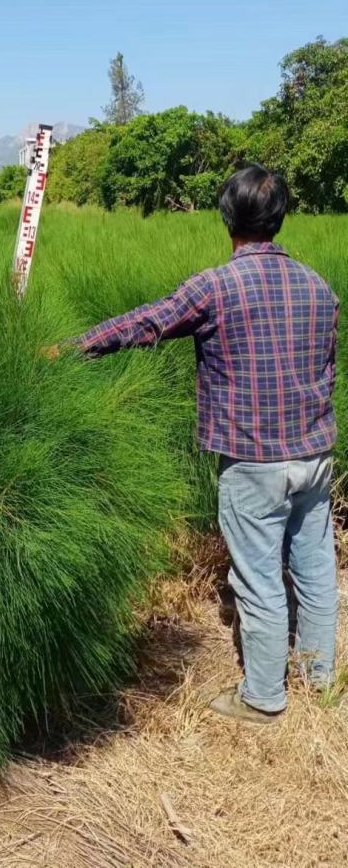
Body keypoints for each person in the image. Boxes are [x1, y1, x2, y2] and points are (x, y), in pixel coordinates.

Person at [49, 164, 340, 724]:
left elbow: (145, 323)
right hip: (315, 455)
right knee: (315, 569)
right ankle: (320, 680)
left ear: (227, 217)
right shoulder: (318, 286)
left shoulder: (215, 286)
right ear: (280, 219)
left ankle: (262, 697)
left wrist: (68, 348)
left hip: (254, 461)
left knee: (258, 581)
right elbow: (326, 369)